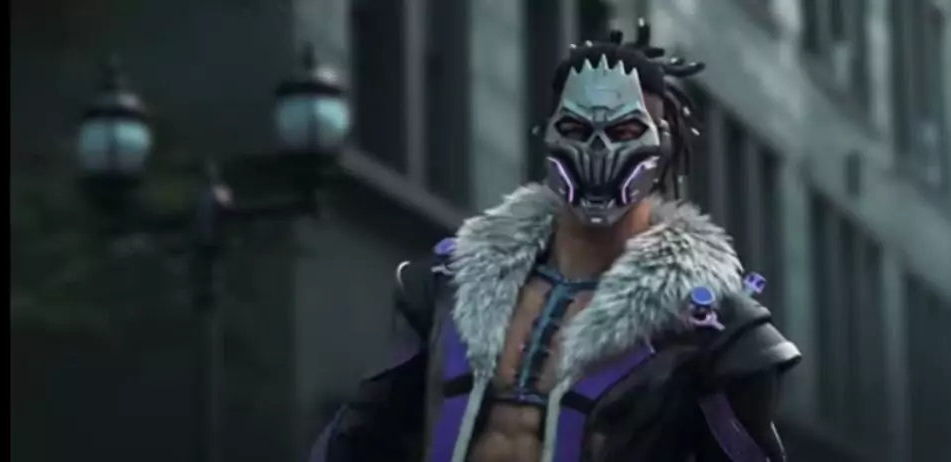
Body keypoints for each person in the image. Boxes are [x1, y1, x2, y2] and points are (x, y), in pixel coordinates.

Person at [310, 19, 801, 462]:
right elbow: (357, 438)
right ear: (548, 134)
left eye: (624, 130)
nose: (598, 150)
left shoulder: (712, 327)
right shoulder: (448, 290)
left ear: (663, 142)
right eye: (577, 128)